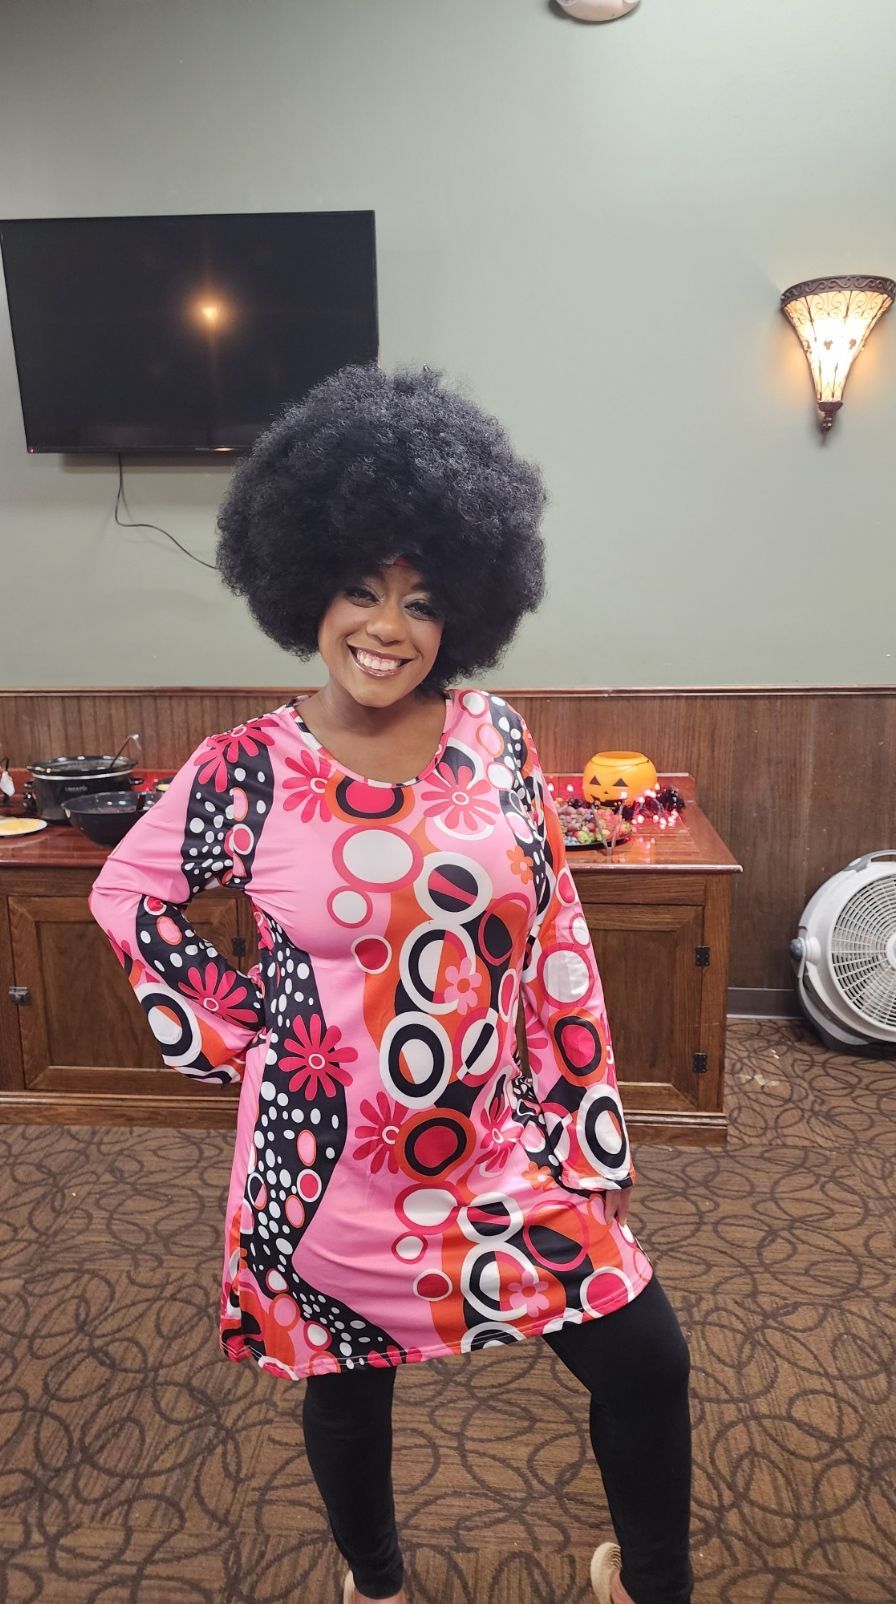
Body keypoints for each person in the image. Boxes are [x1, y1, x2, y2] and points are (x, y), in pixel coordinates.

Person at [88, 365, 694, 1604]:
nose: (387, 625)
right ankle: (376, 1582)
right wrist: (249, 1037)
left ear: (463, 608)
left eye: (422, 600)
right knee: (348, 1389)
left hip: (496, 1150)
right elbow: (126, 897)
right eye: (360, 587)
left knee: (645, 1359)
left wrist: (587, 1127)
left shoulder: (498, 738)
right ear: (303, 583)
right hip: (330, 1170)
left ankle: (652, 1582)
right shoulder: (243, 771)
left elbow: (555, 939)